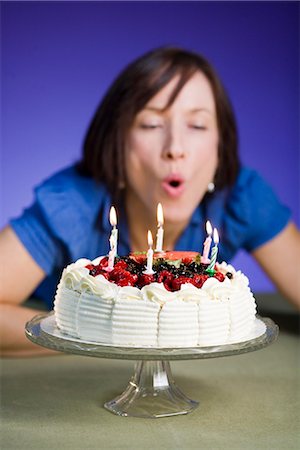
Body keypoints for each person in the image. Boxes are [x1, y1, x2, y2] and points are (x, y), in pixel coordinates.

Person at [1, 46, 299, 357]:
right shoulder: (71, 203)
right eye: (151, 125)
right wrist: (109, 333)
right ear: (117, 142)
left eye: (197, 126)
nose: (175, 147)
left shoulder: (241, 197)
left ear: (220, 147)